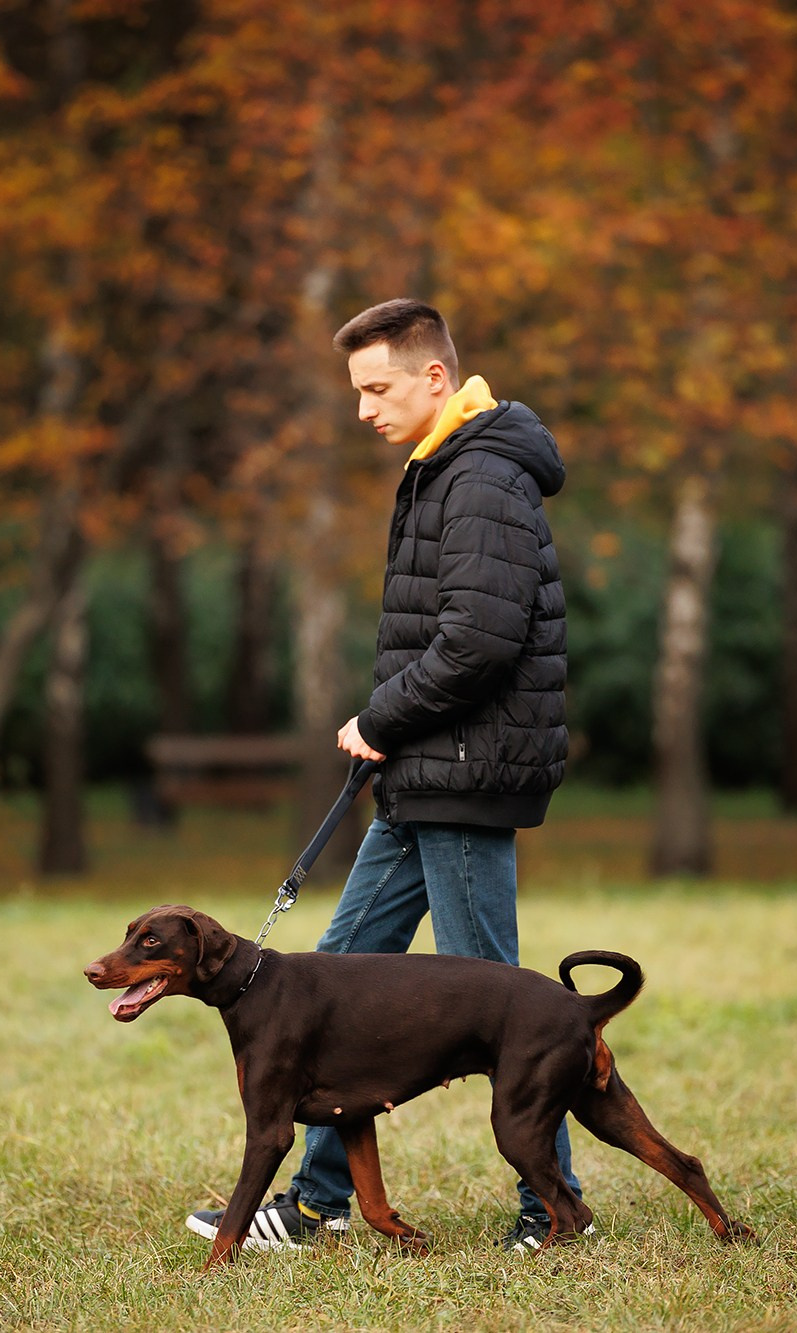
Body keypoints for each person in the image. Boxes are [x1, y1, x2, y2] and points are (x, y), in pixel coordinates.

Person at [186, 298, 579, 1254]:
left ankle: (553, 1209)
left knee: (506, 1004)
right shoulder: (440, 468)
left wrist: (382, 716)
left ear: (435, 377)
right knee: (320, 984)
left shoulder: (481, 475)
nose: (363, 409)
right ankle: (316, 1201)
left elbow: (479, 640)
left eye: (377, 388)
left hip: (461, 769)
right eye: (357, 390)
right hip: (422, 770)